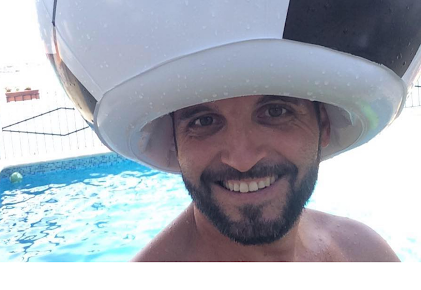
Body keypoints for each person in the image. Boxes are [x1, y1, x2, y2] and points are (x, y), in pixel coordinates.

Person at [133, 93, 400, 263]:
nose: (242, 160)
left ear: (324, 125)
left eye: (276, 111)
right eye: (204, 121)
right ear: (174, 143)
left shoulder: (364, 252)